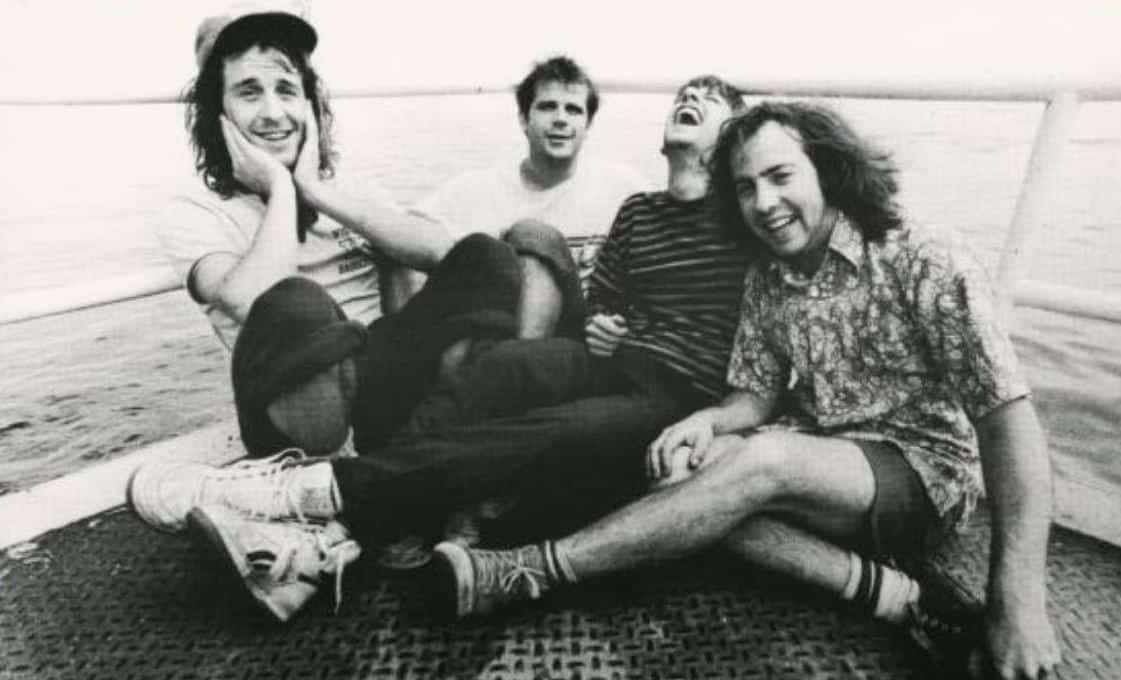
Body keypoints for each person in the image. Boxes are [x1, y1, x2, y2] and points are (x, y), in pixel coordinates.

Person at [430, 101, 1062, 680]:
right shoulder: (768, 276)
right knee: (680, 473)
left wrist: (1019, 600)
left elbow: (1007, 420)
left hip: (921, 473)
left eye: (781, 176)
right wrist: (706, 422)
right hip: (821, 456)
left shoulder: (920, 253)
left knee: (763, 462)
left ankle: (534, 571)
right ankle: (894, 594)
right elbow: (754, 396)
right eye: (745, 187)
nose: (764, 203)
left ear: (829, 169)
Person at [127, 75, 751, 622]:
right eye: (685, 92)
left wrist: (724, 414)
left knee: (546, 430)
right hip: (619, 362)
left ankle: (317, 509)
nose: (691, 96)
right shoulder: (639, 210)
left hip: (680, 394)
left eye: (711, 98)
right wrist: (607, 325)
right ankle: (386, 515)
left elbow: (764, 322)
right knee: (501, 369)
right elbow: (609, 297)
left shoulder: (742, 215)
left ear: (731, 138)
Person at [155, 3, 453, 350]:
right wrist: (281, 187)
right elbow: (255, 303)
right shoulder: (195, 211)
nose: (273, 113)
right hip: (301, 386)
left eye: (286, 90)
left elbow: (442, 252)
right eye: (249, 93)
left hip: (387, 373)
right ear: (217, 114)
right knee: (300, 301)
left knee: (486, 255)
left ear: (309, 105)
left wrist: (313, 189)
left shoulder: (347, 188)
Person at [407, 55, 650, 328]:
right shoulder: (476, 189)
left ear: (588, 126)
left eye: (574, 110)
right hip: (500, 333)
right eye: (548, 107)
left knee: (533, 236)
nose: (560, 119)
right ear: (524, 120)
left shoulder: (623, 187)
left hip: (583, 336)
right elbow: (408, 236)